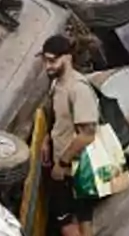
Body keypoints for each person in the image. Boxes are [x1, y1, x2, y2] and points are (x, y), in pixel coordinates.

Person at [41, 35, 99, 236]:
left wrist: (62, 163)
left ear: (66, 58)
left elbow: (87, 135)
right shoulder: (57, 85)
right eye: (45, 60)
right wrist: (47, 139)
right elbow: (59, 120)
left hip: (75, 168)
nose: (47, 66)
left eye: (52, 60)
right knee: (81, 219)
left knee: (68, 222)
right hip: (66, 165)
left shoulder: (78, 89)